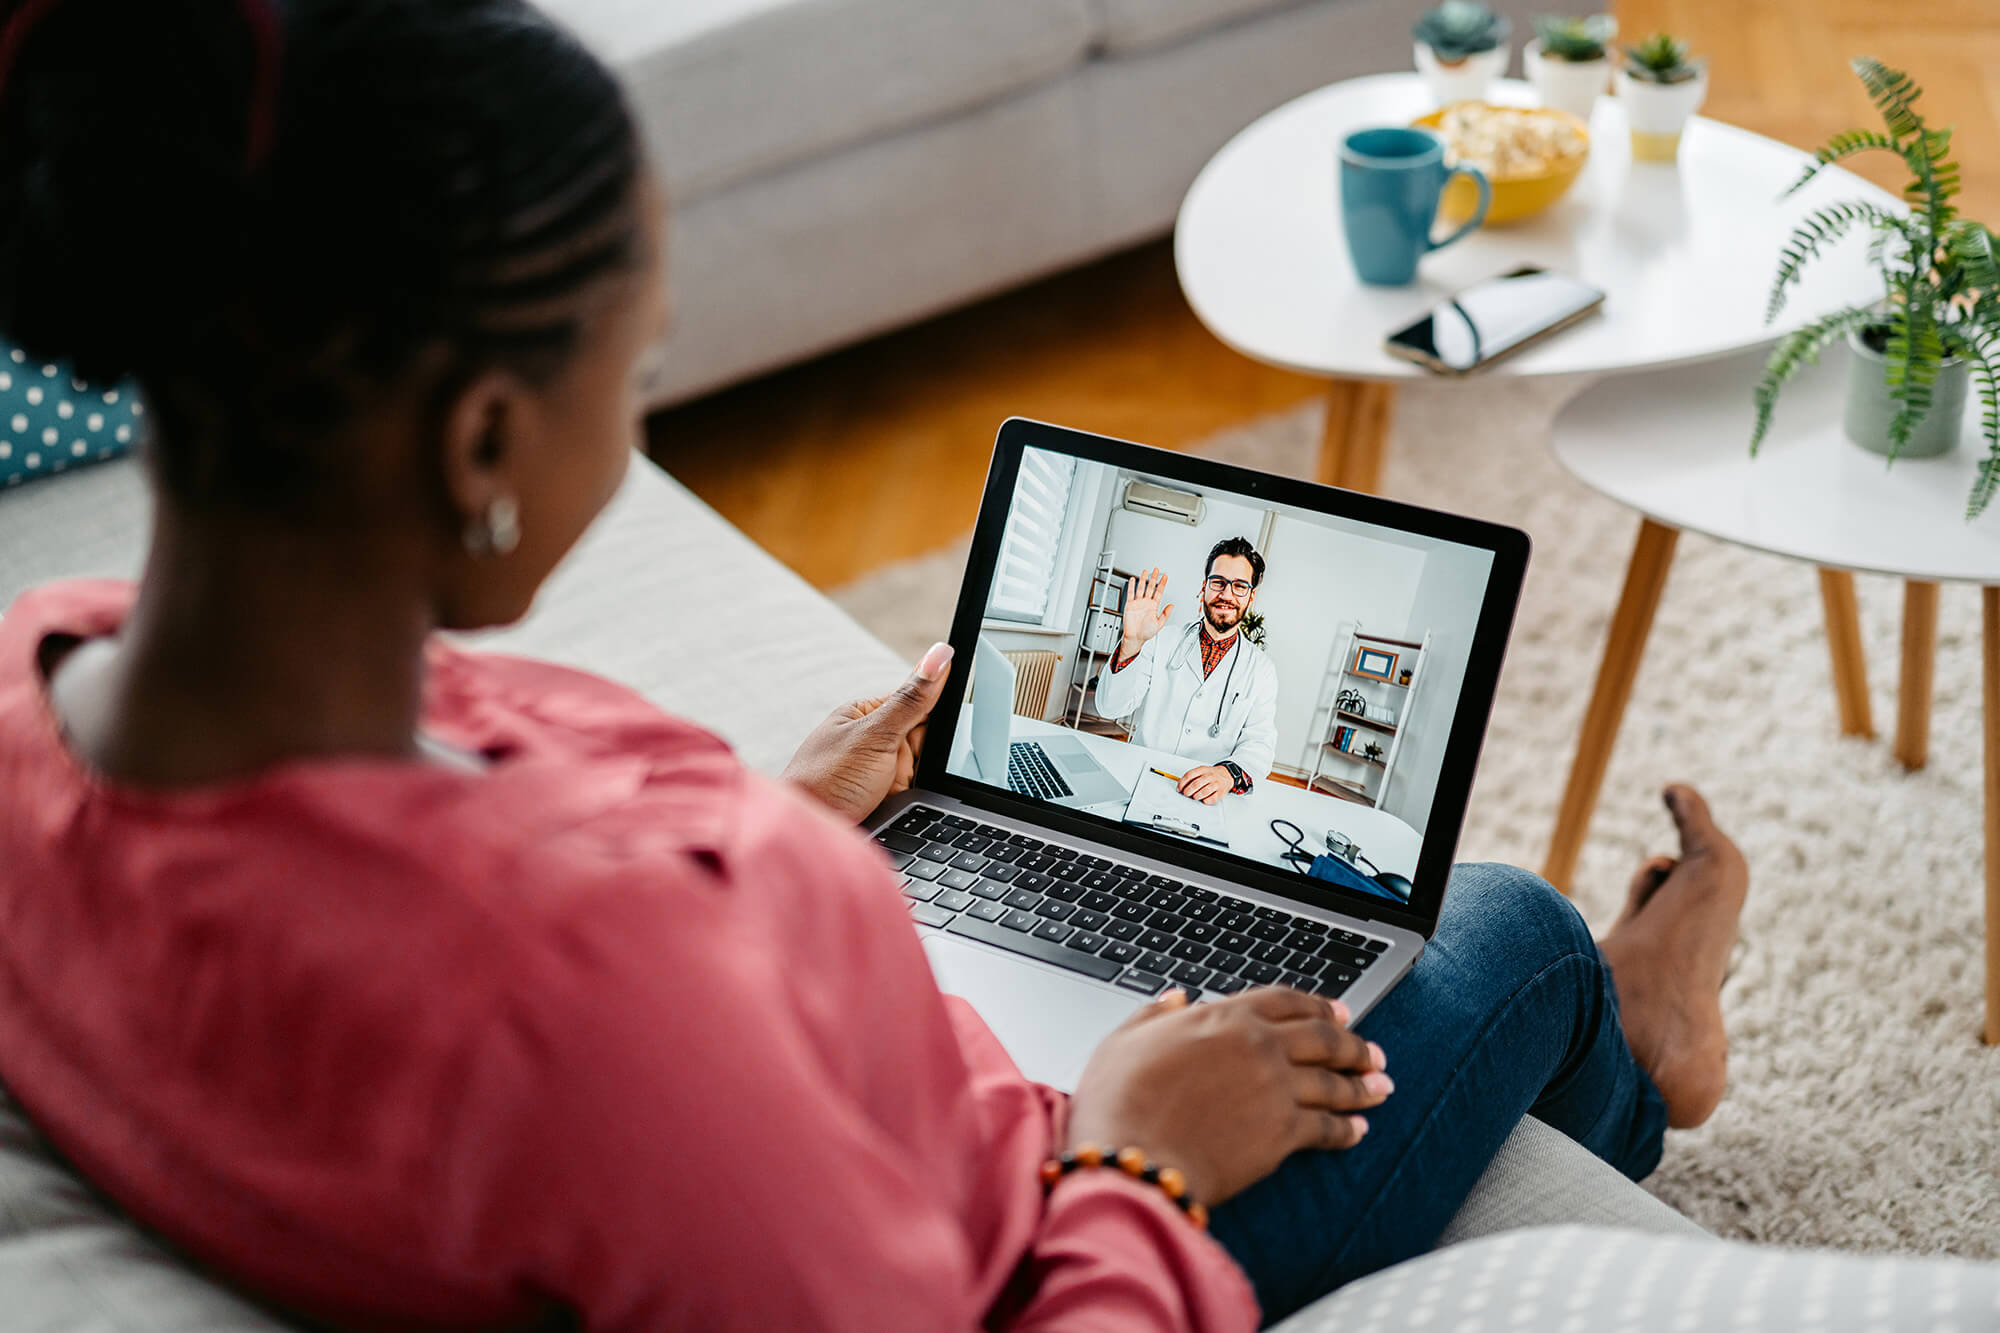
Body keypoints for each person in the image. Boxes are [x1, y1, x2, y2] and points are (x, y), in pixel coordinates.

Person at [0, 2, 1751, 1329]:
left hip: (883, 1031)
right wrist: (1144, 1157)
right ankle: (1640, 1054)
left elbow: (487, 833)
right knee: (1510, 926)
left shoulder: (39, 682)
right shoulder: (586, 1011)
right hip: (1059, 1192)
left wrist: (777, 819)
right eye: (641, 365)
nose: (636, 417)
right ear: (481, 440)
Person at [1094, 538, 1281, 804]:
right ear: (1204, 587)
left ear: (1250, 598)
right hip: (1139, 776)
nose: (1226, 594)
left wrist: (1226, 776)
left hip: (1205, 795)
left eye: (1239, 586)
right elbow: (1109, 708)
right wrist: (1131, 643)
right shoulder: (1159, 638)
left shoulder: (1261, 669)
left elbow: (1260, 743)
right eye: (1218, 582)